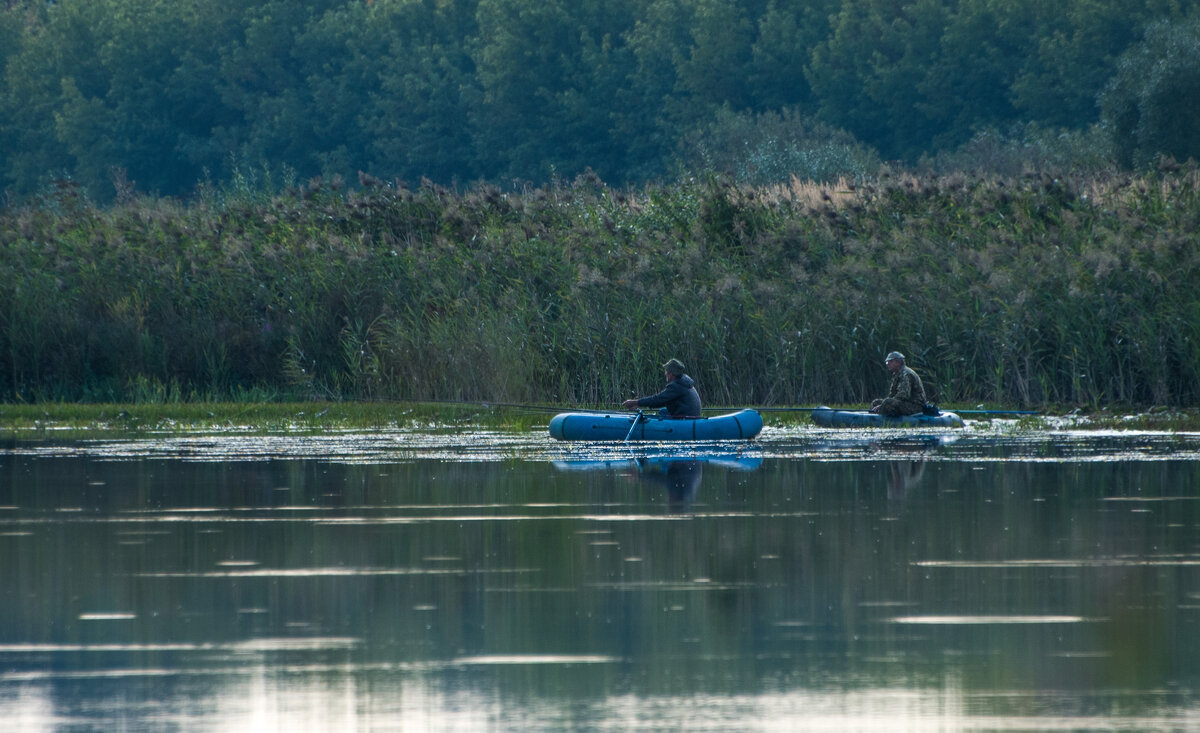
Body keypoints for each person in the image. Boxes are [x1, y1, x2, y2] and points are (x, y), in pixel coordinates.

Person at [621, 358, 702, 418]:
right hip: (690, 415)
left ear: (670, 373)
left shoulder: (676, 386)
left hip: (685, 418)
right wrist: (640, 404)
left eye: (666, 371)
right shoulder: (684, 381)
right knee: (663, 411)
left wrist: (635, 402)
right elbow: (662, 401)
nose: (665, 373)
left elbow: (657, 399)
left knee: (662, 413)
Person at [870, 351, 927, 417]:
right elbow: (892, 394)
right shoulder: (897, 374)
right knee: (876, 402)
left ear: (898, 362)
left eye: (890, 362)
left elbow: (903, 395)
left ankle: (880, 420)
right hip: (905, 403)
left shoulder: (906, 374)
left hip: (915, 406)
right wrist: (881, 404)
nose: (888, 364)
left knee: (887, 403)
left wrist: (884, 405)